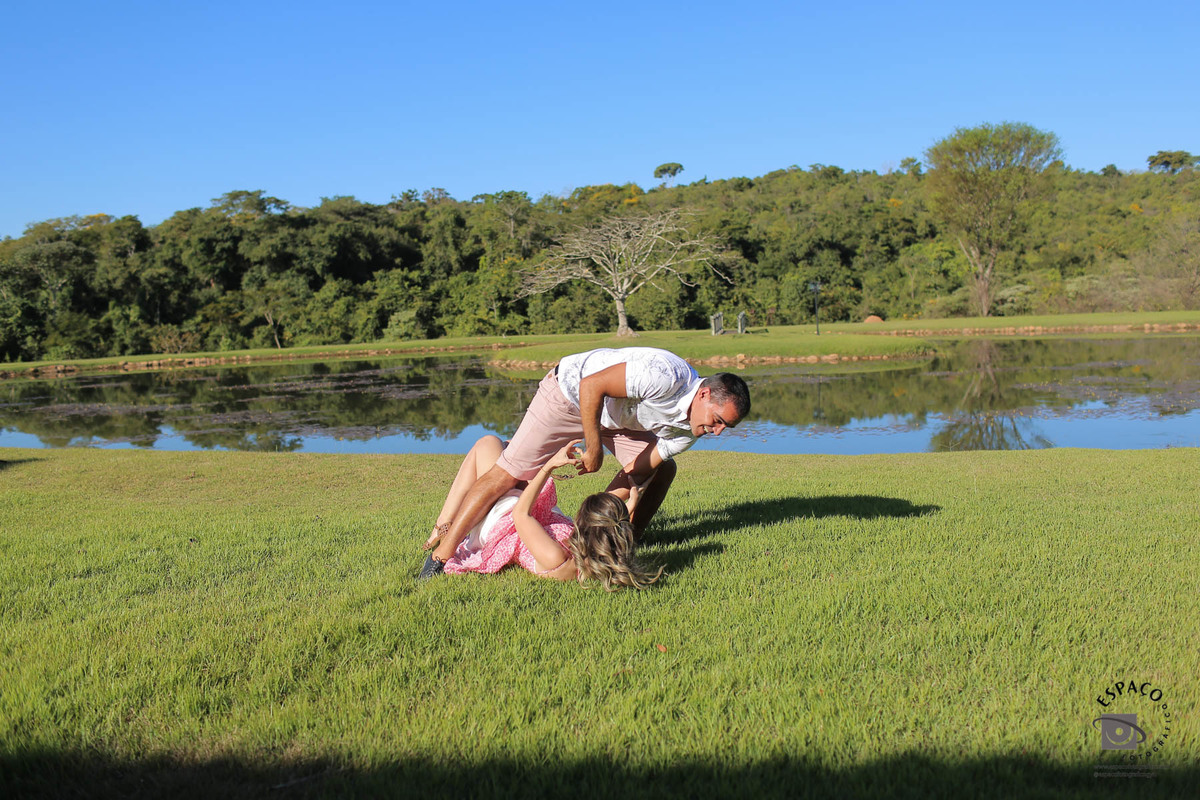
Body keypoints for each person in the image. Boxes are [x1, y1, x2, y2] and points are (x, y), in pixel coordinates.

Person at [419, 347, 750, 579]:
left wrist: (600, 524)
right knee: (507, 474)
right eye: (718, 420)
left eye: (726, 427)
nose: (717, 432)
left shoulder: (689, 431)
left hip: (615, 419)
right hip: (570, 396)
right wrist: (595, 448)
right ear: (704, 395)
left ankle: (623, 543)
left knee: (663, 470)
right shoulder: (665, 376)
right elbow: (592, 385)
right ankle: (439, 558)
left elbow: (636, 469)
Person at [430, 435, 661, 590]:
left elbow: (521, 515)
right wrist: (631, 502)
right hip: (538, 516)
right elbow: (611, 527)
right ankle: (442, 526)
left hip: (504, 523)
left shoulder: (558, 560)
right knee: (515, 450)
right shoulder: (592, 547)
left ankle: (443, 527)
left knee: (488, 444)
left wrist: (548, 466)